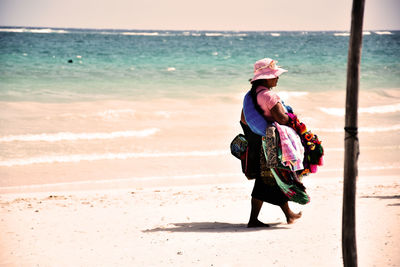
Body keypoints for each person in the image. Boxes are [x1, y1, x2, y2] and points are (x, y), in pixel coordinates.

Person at [241, 58, 303, 228]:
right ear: (265, 78)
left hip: (261, 142)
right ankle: (254, 220)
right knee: (269, 179)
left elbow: (243, 119)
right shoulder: (269, 95)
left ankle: (288, 214)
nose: (277, 78)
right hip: (271, 145)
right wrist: (295, 124)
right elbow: (282, 119)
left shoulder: (252, 95)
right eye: (274, 75)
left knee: (274, 178)